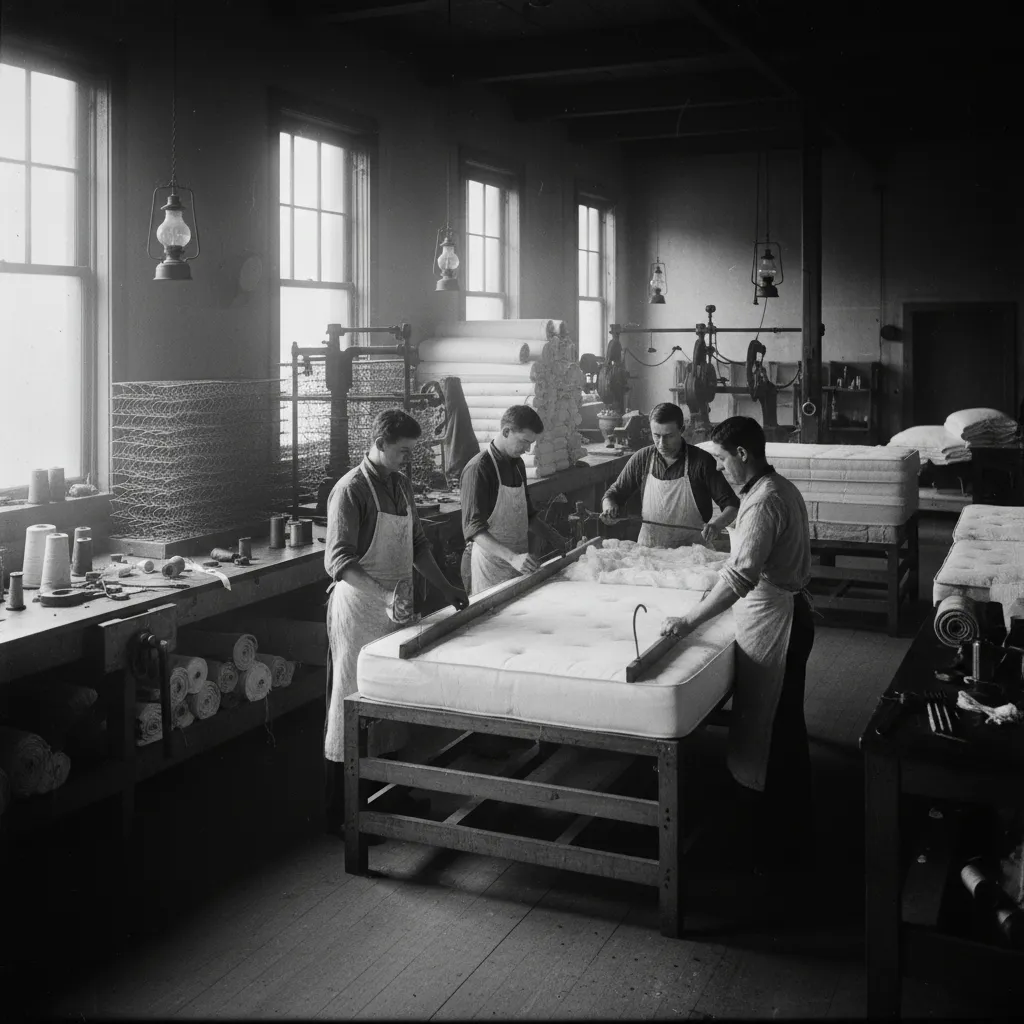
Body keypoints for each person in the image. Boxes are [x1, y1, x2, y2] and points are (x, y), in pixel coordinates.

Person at [659, 416, 815, 872]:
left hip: (775, 618)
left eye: (725, 460)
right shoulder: (776, 487)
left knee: (773, 721)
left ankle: (774, 834)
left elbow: (742, 576)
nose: (721, 469)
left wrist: (689, 620)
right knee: (782, 718)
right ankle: (788, 814)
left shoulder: (764, 501)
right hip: (786, 608)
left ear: (743, 454)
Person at [323, 408, 468, 837]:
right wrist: (385, 595)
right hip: (362, 609)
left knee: (391, 699)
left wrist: (447, 588)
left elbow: (419, 546)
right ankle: (342, 810)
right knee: (348, 704)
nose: (408, 458)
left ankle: (388, 793)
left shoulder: (400, 485)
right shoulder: (350, 491)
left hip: (397, 606)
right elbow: (339, 562)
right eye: (403, 451)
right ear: (381, 443)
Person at [460, 405, 569, 594]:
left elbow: (528, 516)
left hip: (520, 563)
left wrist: (556, 538)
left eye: (531, 444)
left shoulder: (517, 464)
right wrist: (512, 558)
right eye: (524, 441)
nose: (527, 449)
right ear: (506, 431)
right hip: (489, 567)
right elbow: (474, 529)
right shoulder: (479, 469)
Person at [600, 402, 739, 547]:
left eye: (669, 436)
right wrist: (609, 507)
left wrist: (716, 525)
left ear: (682, 430)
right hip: (649, 552)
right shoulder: (642, 458)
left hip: (693, 554)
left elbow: (732, 505)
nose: (661, 443)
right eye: (656, 436)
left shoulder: (701, 461)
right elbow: (613, 494)